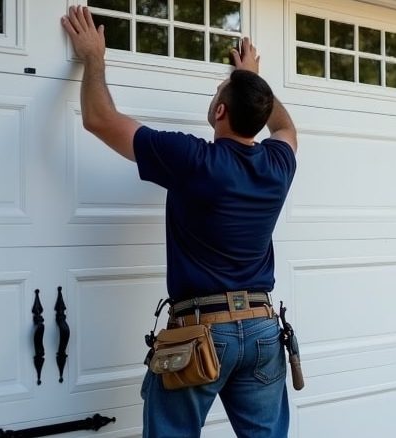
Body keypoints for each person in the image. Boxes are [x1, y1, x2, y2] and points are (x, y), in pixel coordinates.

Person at [61, 5, 297, 437]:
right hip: (263, 330)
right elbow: (285, 128)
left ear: (221, 111)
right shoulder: (277, 164)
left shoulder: (195, 160)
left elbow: (98, 119)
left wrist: (94, 58)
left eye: (219, 91)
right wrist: (253, 81)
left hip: (202, 333)